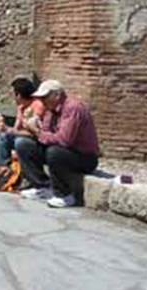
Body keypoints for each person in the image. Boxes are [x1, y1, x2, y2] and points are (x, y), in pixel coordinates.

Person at [15, 79, 100, 208]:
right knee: (23, 144)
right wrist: (35, 126)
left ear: (57, 95)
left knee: (54, 152)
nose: (41, 101)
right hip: (65, 151)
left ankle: (65, 195)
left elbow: (64, 140)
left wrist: (38, 132)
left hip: (85, 157)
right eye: (40, 98)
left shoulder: (72, 108)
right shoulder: (51, 109)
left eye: (44, 97)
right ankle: (42, 186)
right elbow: (46, 133)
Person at [0, 77, 46, 169]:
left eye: (13, 94)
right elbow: (16, 128)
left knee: (19, 142)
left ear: (19, 95)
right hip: (22, 135)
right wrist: (3, 127)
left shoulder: (37, 106)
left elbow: (33, 133)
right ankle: (5, 168)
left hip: (35, 140)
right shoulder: (21, 106)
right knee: (2, 136)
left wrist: (9, 130)